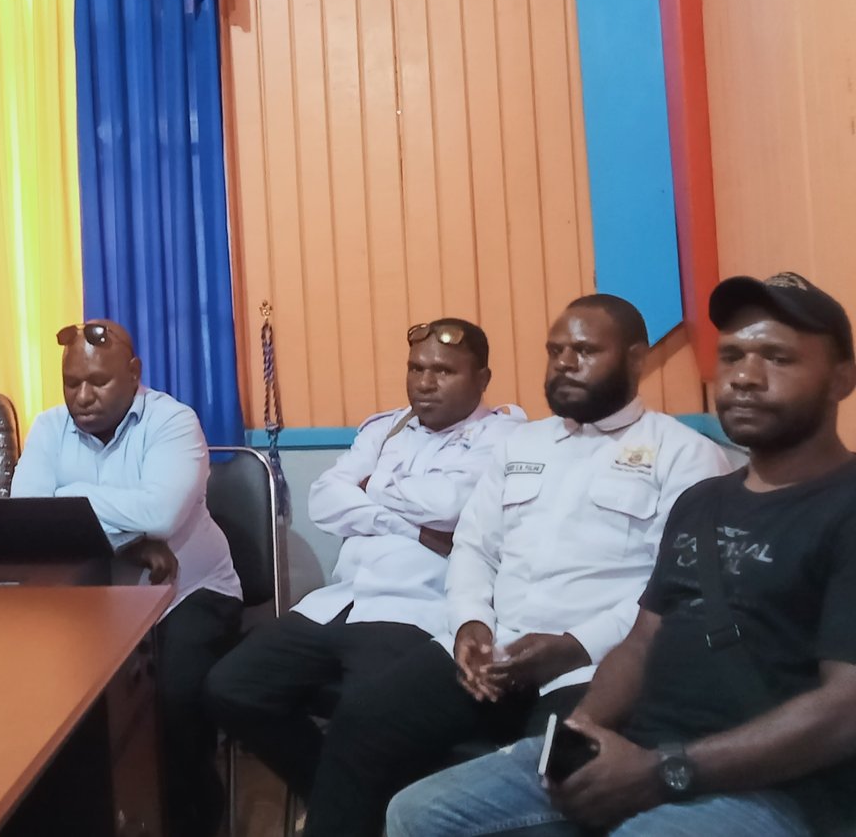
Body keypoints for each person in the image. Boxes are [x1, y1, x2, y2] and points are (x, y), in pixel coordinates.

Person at [388, 273, 856, 837]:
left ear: (841, 379)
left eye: (778, 358)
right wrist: (582, 733)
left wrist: (663, 772)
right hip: (643, 745)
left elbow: (846, 710)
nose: (745, 377)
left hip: (773, 787)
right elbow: (641, 641)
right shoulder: (704, 502)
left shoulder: (841, 506)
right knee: (417, 812)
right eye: (732, 356)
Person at [295, 295, 733, 837]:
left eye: (585, 351)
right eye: (555, 350)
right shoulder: (523, 444)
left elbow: (673, 591)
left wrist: (574, 646)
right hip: (493, 653)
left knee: (557, 783)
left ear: (636, 358)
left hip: (593, 668)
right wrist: (470, 624)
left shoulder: (683, 454)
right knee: (362, 721)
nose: (564, 363)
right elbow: (474, 548)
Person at [204, 319, 524, 801]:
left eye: (443, 371)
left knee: (367, 719)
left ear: (482, 379)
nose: (425, 382)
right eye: (416, 368)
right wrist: (413, 528)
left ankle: (351, 808)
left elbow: (449, 503)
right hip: (339, 601)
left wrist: (369, 487)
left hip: (415, 611)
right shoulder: (386, 428)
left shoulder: (504, 436)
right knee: (230, 687)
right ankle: (338, 801)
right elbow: (323, 500)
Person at [10, 320, 243, 837]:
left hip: (188, 594)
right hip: (94, 600)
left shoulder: (172, 422)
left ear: (134, 374)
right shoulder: (49, 427)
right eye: (72, 383)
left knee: (172, 701)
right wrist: (130, 540)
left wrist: (68, 500)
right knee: (46, 695)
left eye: (98, 382)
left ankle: (194, 819)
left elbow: (161, 513)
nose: (82, 396)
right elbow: (28, 512)